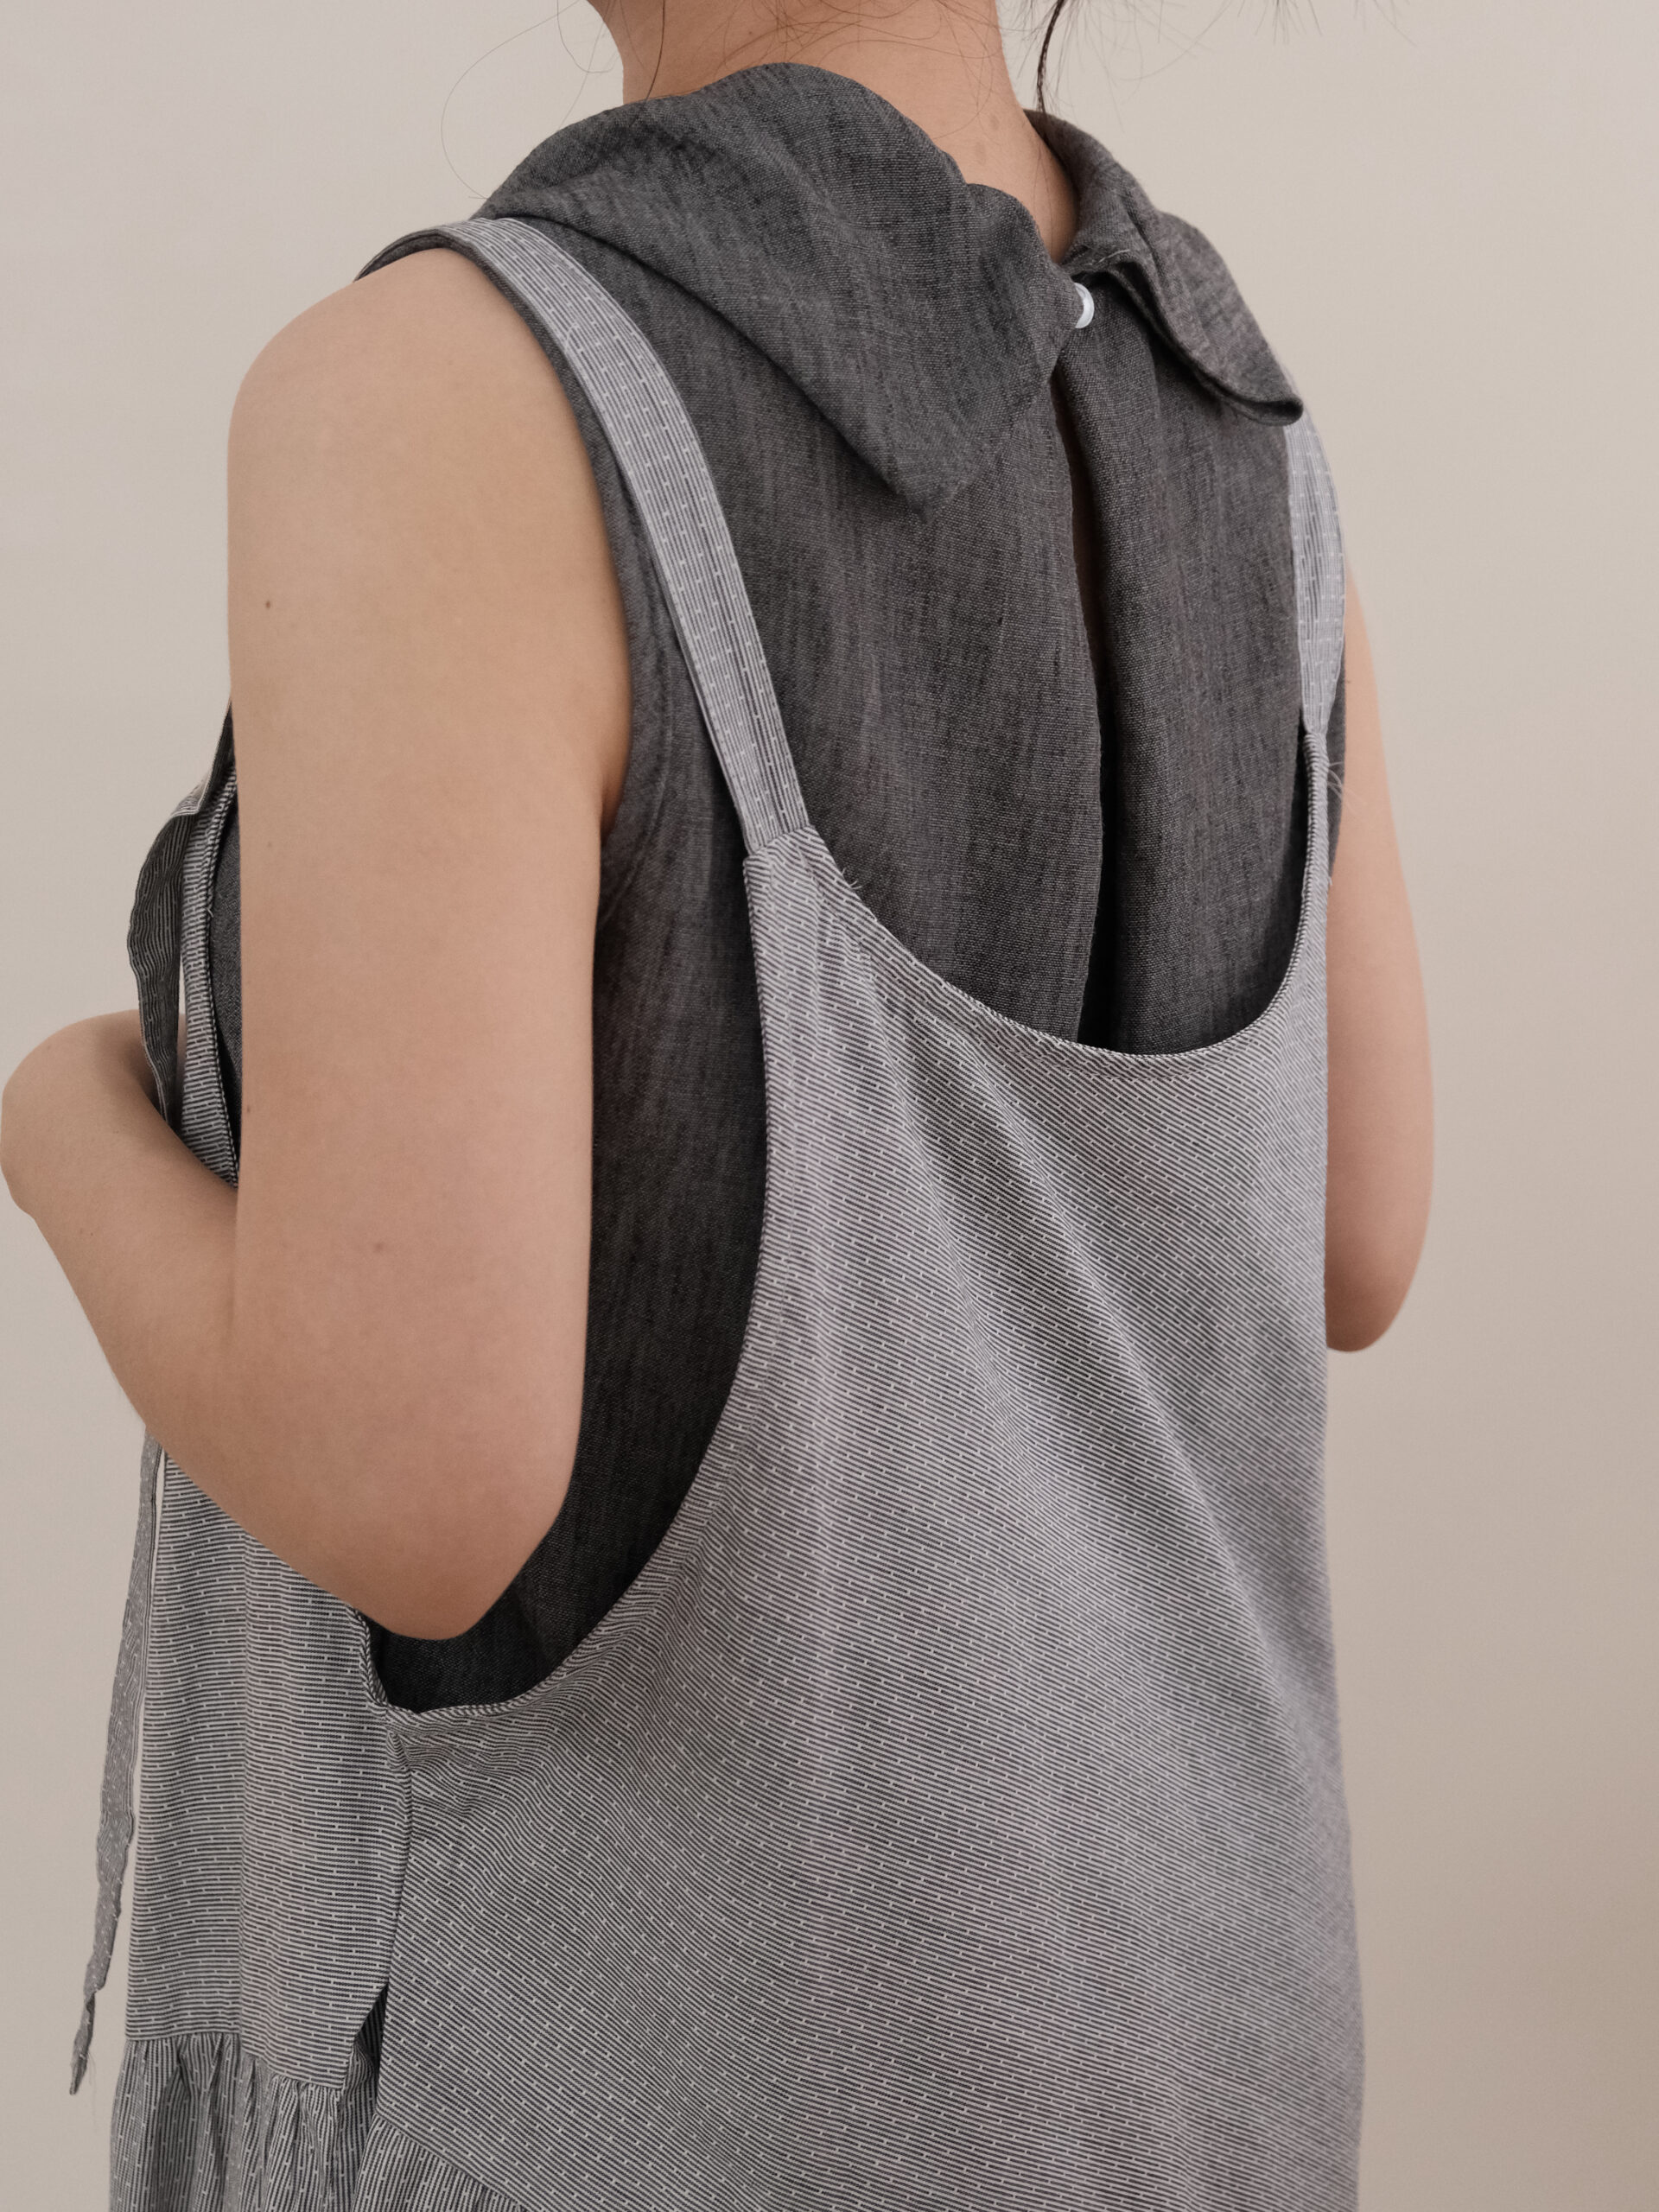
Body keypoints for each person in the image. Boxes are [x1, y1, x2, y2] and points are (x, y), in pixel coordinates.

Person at [3, 2, 1432, 2206]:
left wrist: (59, 1113)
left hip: (681, 2100)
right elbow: (1359, 1230)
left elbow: (407, 1469)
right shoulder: (1253, 433)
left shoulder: (453, 401)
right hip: (1201, 2088)